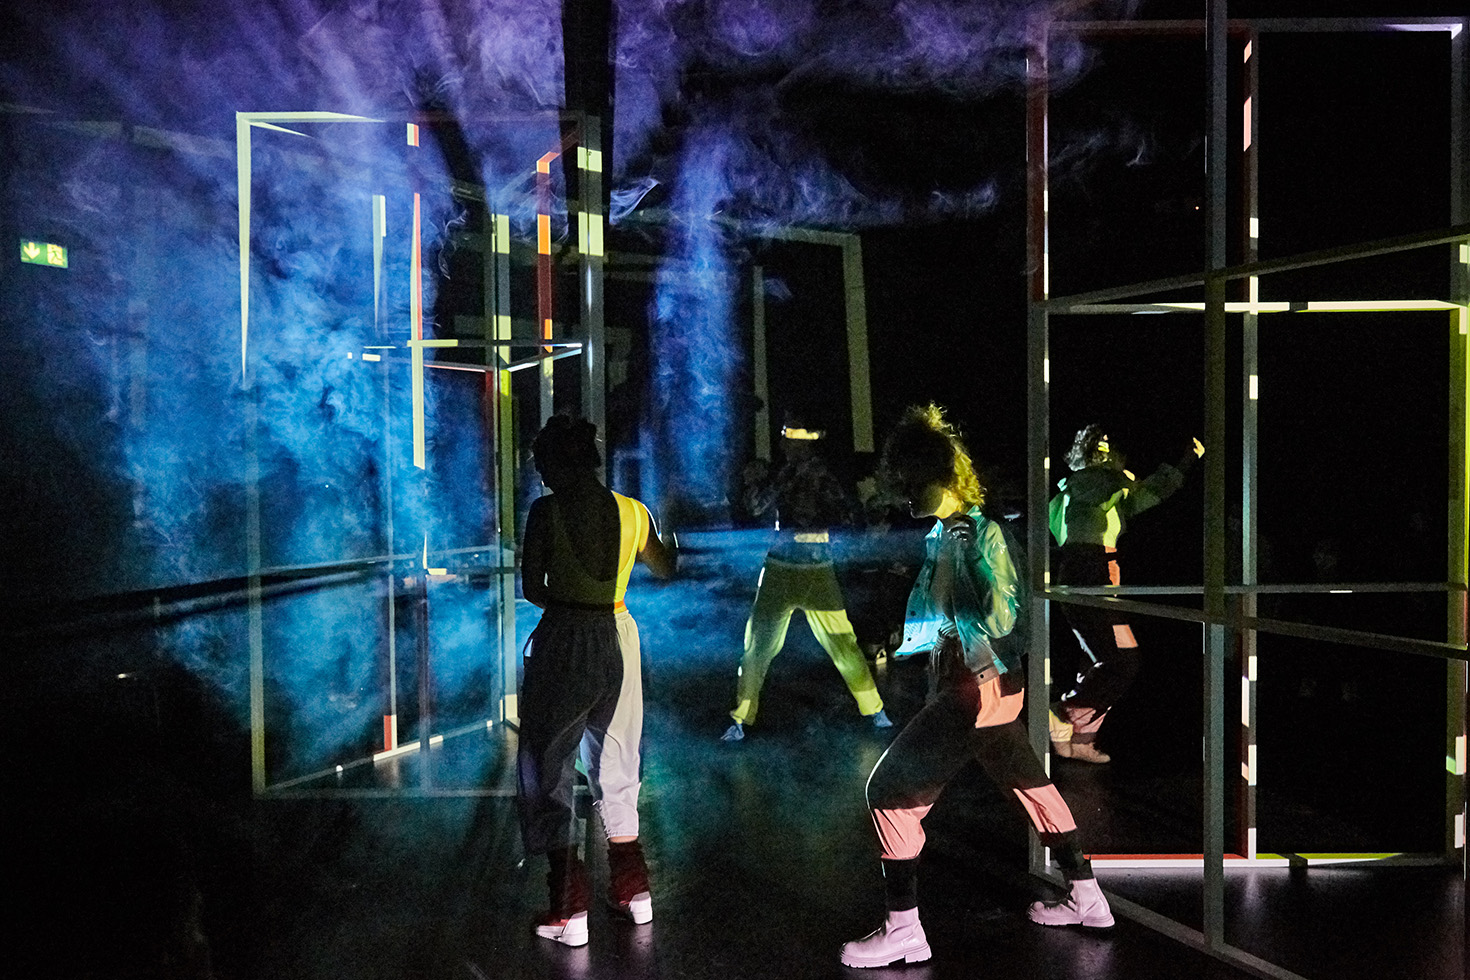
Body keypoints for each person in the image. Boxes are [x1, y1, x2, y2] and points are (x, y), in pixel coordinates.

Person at [841, 405, 1111, 970]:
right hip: (973, 684)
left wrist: (966, 562)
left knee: (888, 791)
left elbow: (1001, 615)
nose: (903, 495)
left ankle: (904, 930)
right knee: (1031, 785)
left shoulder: (981, 533)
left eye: (910, 483)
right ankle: (1088, 898)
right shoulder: (946, 533)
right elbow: (936, 613)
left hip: (979, 688)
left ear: (940, 478)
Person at [516, 415, 677, 947]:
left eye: (542, 463)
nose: (540, 474)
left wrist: (570, 602)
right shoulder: (635, 511)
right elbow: (666, 568)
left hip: (566, 634)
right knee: (618, 759)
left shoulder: (546, 512)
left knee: (547, 763)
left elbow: (533, 587)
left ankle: (569, 909)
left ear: (560, 462)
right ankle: (634, 891)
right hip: (621, 632)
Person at [721, 418, 890, 741]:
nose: (783, 443)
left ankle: (875, 710)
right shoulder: (786, 473)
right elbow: (756, 506)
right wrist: (753, 483)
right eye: (783, 437)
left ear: (804, 441)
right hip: (787, 568)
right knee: (762, 645)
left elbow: (845, 520)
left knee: (836, 644)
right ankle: (740, 719)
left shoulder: (819, 475)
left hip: (808, 569)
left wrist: (812, 535)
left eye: (789, 437)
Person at [1048, 425, 1204, 763]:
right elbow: (1143, 491)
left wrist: (1182, 465)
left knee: (1100, 658)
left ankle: (1082, 737)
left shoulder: (1091, 485)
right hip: (1089, 569)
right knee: (1120, 660)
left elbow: (1145, 495)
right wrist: (1182, 464)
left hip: (1095, 569)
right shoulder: (1094, 481)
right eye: (1100, 444)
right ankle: (1065, 712)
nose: (1107, 447)